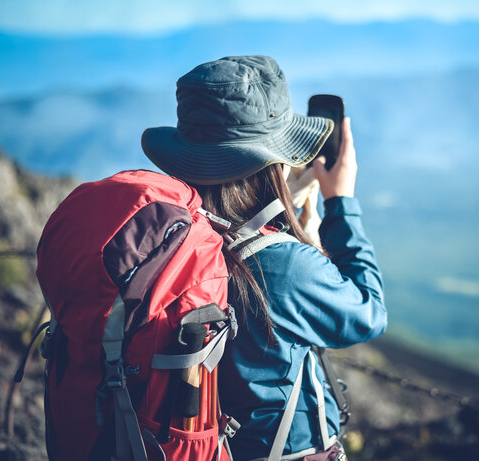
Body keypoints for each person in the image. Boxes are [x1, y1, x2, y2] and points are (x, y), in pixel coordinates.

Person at [142, 55, 386, 461]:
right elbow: (369, 313)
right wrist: (341, 203)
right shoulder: (283, 265)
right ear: (273, 160)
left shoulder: (164, 237)